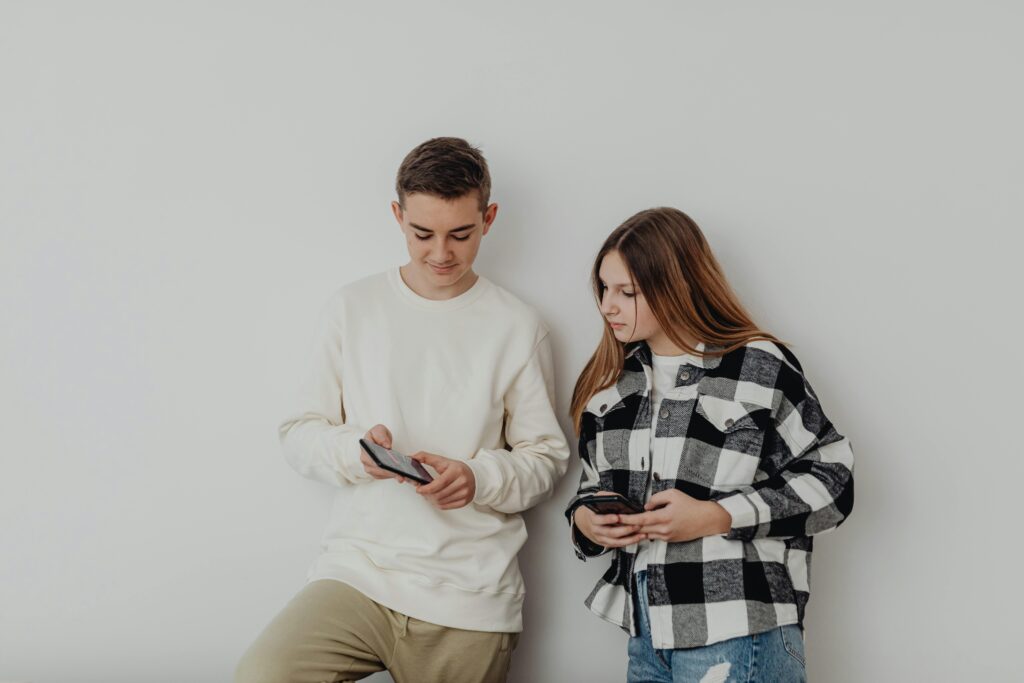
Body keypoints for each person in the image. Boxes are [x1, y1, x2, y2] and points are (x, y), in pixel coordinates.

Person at [236, 137, 569, 683]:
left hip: (470, 595)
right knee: (262, 675)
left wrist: (477, 477)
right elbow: (298, 432)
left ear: (489, 218)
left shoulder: (518, 326)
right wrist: (357, 453)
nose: (441, 253)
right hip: (358, 575)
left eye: (461, 234)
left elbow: (546, 459)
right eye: (422, 233)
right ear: (398, 216)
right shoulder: (353, 308)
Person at [565, 207, 854, 682]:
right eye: (603, 288)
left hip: (739, 627)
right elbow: (590, 487)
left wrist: (716, 516)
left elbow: (834, 480)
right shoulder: (612, 388)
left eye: (626, 292)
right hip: (646, 633)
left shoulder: (756, 365)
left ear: (674, 286)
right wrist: (587, 522)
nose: (606, 305)